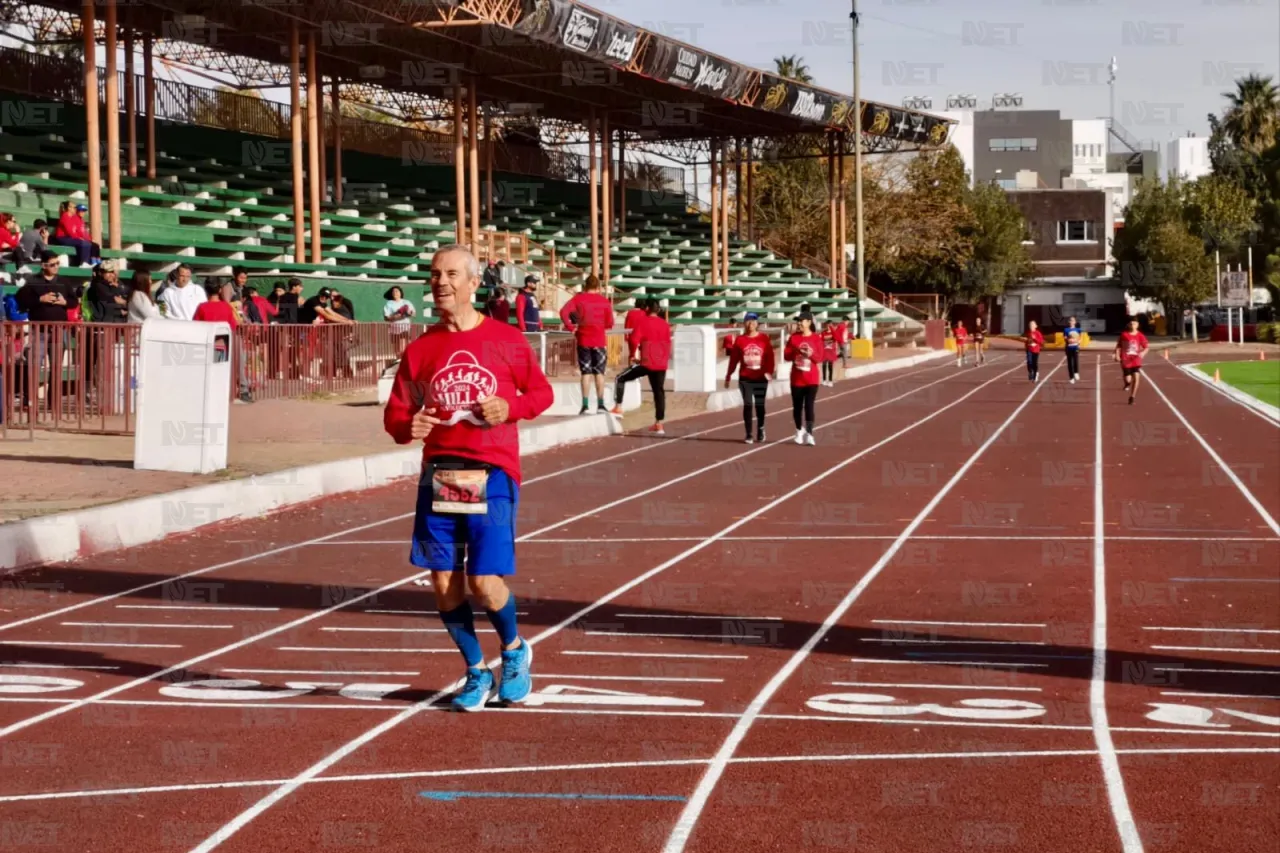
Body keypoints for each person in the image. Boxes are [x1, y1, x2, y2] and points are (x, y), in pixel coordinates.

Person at [383, 244, 552, 711]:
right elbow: (397, 415)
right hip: (439, 474)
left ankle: (515, 651)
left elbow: (540, 393)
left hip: (492, 471)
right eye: (435, 274)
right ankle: (475, 671)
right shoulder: (420, 350)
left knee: (483, 582)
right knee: (443, 583)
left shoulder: (506, 340)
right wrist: (406, 426)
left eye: (452, 274)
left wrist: (509, 407)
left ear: (474, 283)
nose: (441, 282)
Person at [610, 300, 671, 435]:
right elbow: (668, 343)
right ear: (659, 310)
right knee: (659, 392)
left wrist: (633, 354)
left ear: (648, 309)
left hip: (647, 362)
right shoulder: (665, 325)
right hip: (661, 363)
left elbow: (633, 339)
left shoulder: (643, 322)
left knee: (620, 378)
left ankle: (618, 406)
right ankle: (659, 423)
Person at [559, 275, 615, 415]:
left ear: (585, 286)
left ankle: (585, 405)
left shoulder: (578, 299)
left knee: (586, 372)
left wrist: (571, 327)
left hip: (583, 338)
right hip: (599, 340)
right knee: (599, 373)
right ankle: (601, 405)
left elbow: (563, 312)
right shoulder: (604, 301)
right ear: (598, 287)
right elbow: (610, 323)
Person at [724, 311, 776, 444]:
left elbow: (770, 357)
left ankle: (761, 428)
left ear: (757, 323)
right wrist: (728, 375)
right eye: (748, 320)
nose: (750, 323)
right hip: (745, 377)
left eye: (753, 320)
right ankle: (748, 433)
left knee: (760, 405)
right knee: (747, 404)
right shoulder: (740, 340)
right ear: (744, 323)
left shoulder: (764, 338)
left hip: (760, 377)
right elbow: (734, 359)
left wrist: (769, 372)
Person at [785, 311, 824, 446]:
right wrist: (794, 350)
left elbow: (819, 358)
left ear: (809, 322)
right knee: (797, 407)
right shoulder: (794, 338)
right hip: (796, 378)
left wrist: (810, 354)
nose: (799, 323)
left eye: (801, 321)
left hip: (811, 379)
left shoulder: (816, 339)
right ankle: (798, 430)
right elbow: (786, 356)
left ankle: (810, 433)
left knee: (809, 406)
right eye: (798, 321)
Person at [50, 201, 99, 267]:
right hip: (63, 238)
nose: (76, 209)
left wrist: (87, 238)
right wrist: (78, 238)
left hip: (69, 238)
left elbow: (77, 231)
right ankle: (84, 263)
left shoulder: (72, 218)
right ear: (69, 208)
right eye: (74, 207)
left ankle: (87, 263)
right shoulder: (65, 216)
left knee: (88, 243)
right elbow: (69, 230)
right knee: (84, 243)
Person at [1115, 317, 1149, 405]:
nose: (1132, 325)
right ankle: (1127, 383)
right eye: (1131, 323)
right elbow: (1119, 346)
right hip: (1126, 359)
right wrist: (1116, 354)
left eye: (1134, 323)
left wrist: (1143, 353)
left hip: (1136, 359)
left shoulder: (1140, 335)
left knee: (1136, 378)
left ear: (1137, 325)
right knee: (1128, 379)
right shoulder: (1124, 335)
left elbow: (1146, 347)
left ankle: (1132, 397)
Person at [384, 286, 417, 356]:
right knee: (396, 350)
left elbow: (413, 313)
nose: (395, 293)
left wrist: (408, 313)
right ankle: (399, 363)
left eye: (397, 291)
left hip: (404, 328)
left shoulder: (406, 302)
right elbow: (386, 318)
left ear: (400, 293)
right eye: (393, 291)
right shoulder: (388, 304)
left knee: (402, 349)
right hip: (393, 328)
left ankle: (403, 361)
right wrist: (396, 316)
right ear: (391, 294)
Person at [1063, 315, 1083, 384]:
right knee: (1069, 363)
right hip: (1068, 348)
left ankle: (1076, 372)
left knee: (1075, 360)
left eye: (1073, 320)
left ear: (1075, 322)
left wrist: (1078, 341)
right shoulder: (1066, 330)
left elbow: (1081, 338)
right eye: (1070, 320)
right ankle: (1071, 377)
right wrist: (1069, 340)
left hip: (1075, 347)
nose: (1071, 322)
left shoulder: (1078, 330)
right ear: (1069, 322)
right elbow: (1065, 338)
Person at [820, 320, 839, 386]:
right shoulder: (823, 333)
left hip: (831, 352)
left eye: (829, 325)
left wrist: (832, 329)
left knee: (830, 366)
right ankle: (824, 379)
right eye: (827, 325)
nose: (828, 326)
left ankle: (830, 380)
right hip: (825, 351)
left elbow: (836, 338)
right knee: (824, 365)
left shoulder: (833, 333)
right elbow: (821, 341)